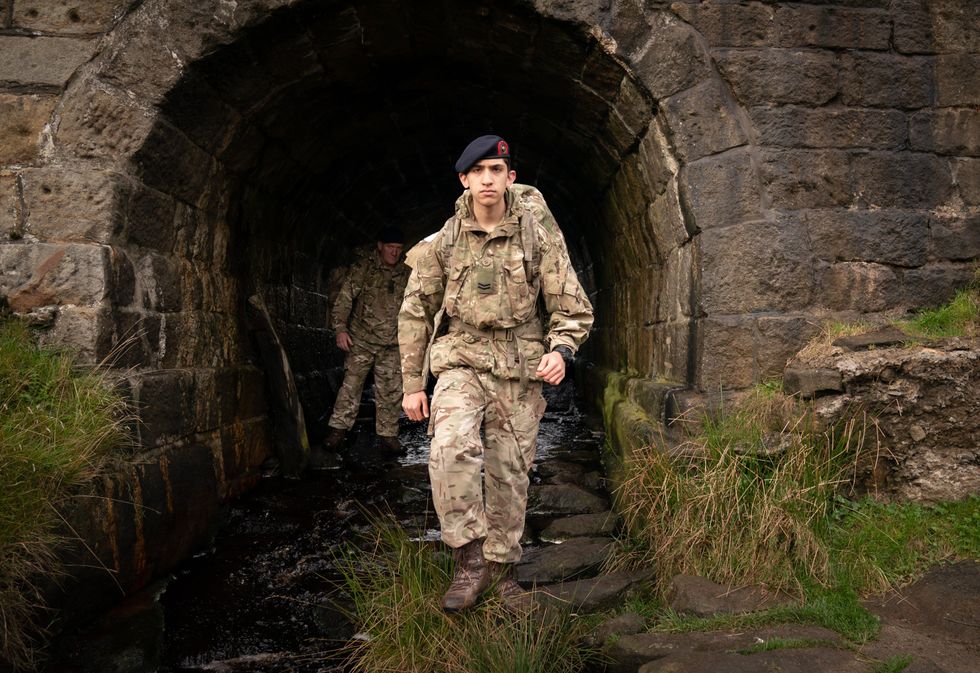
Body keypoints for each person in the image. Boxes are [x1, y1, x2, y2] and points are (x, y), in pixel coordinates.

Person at [398, 135, 594, 612]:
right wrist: (411, 385)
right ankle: (469, 563)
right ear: (464, 180)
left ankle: (502, 573)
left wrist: (562, 350)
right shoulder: (441, 242)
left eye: (497, 170)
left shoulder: (537, 236)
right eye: (478, 170)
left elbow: (571, 307)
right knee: (448, 452)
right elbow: (415, 312)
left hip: (519, 366)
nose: (488, 178)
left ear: (511, 177)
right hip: (460, 360)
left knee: (510, 473)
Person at [323, 226, 409, 453]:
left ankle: (388, 436)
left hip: (392, 344)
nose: (394, 253)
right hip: (361, 339)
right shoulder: (364, 270)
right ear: (380, 246)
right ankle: (338, 431)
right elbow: (344, 299)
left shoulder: (406, 275)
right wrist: (340, 329)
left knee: (390, 392)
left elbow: (415, 310)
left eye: (398, 249)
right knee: (350, 387)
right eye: (390, 247)